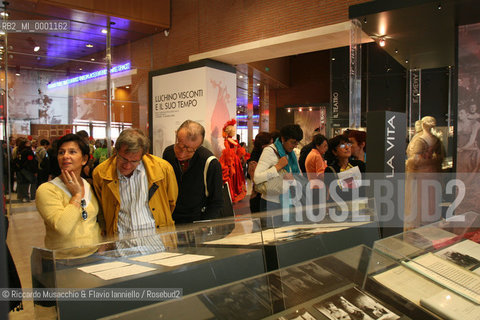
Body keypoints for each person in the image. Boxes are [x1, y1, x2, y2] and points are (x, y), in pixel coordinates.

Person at [93, 128, 178, 236]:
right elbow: (101, 211)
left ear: (143, 156)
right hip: (121, 246)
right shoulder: (101, 174)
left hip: (157, 243)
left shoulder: (163, 169)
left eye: (134, 161)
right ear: (116, 152)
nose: (127, 165)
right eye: (123, 159)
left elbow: (171, 202)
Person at [35, 134, 101, 252]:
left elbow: (95, 220)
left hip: (94, 256)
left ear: (84, 159)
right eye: (61, 152)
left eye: (72, 152)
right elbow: (62, 228)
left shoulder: (89, 185)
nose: (65, 156)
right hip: (64, 261)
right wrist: (76, 195)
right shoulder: (47, 190)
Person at [163, 120, 224, 224]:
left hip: (196, 221)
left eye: (189, 150)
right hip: (170, 218)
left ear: (199, 146)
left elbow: (217, 201)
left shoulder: (210, 163)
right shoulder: (168, 153)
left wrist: (203, 225)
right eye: (180, 145)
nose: (181, 154)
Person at [405, 116, 444, 230]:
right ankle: (429, 221)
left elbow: (414, 159)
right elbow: (440, 158)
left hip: (422, 174)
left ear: (422, 125)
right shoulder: (435, 140)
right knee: (429, 198)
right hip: (432, 174)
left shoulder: (419, 140)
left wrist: (414, 163)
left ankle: (422, 222)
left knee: (421, 199)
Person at [254, 124, 303, 211]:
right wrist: (277, 167)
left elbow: (299, 176)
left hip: (290, 201)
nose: (295, 146)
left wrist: (293, 179)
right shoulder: (270, 151)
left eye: (297, 143)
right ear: (283, 139)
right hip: (271, 203)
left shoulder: (292, 154)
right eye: (292, 142)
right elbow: (257, 178)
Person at [324, 135, 366, 203]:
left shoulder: (359, 165)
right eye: (342, 145)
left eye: (348, 144)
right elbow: (331, 194)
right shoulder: (331, 170)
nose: (347, 147)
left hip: (361, 206)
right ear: (334, 151)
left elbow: (366, 186)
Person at [219, 119, 247, 203]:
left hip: (235, 159)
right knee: (232, 176)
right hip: (231, 159)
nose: (234, 132)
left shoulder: (231, 140)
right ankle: (232, 193)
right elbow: (228, 151)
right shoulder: (228, 140)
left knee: (237, 176)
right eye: (233, 131)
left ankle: (236, 191)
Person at [247, 132, 273, 213]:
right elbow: (257, 180)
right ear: (263, 146)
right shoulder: (254, 161)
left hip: (264, 197)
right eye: (270, 144)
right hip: (259, 198)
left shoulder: (264, 157)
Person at [305, 134, 328, 202]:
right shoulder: (317, 156)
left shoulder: (311, 154)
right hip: (318, 188)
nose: (326, 148)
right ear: (317, 146)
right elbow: (321, 174)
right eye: (324, 146)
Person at [15, 138, 38, 202]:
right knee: (33, 182)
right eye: (28, 142)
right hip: (28, 169)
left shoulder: (19, 150)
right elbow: (31, 161)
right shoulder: (28, 151)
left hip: (21, 169)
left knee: (23, 183)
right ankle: (33, 196)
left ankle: (22, 196)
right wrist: (34, 170)